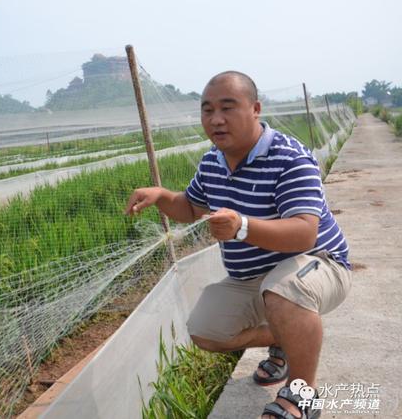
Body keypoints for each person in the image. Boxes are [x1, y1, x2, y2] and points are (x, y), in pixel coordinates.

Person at [124, 71, 351, 419]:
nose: (216, 119)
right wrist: (161, 197)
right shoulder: (211, 162)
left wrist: (241, 227)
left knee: (283, 289)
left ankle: (302, 395)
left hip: (319, 263)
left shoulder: (289, 157)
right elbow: (190, 207)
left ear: (255, 108)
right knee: (205, 329)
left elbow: (304, 232)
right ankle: (286, 340)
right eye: (207, 110)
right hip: (255, 277)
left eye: (228, 108)